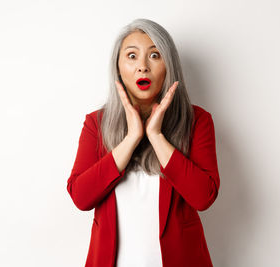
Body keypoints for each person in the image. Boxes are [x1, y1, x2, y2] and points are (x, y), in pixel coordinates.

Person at [66, 18, 220, 267]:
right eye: (132, 56)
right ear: (118, 67)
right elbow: (81, 197)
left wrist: (156, 136)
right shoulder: (96, 124)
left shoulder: (197, 121)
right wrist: (131, 138)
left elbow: (204, 197)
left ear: (169, 66)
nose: (143, 67)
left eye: (155, 55)